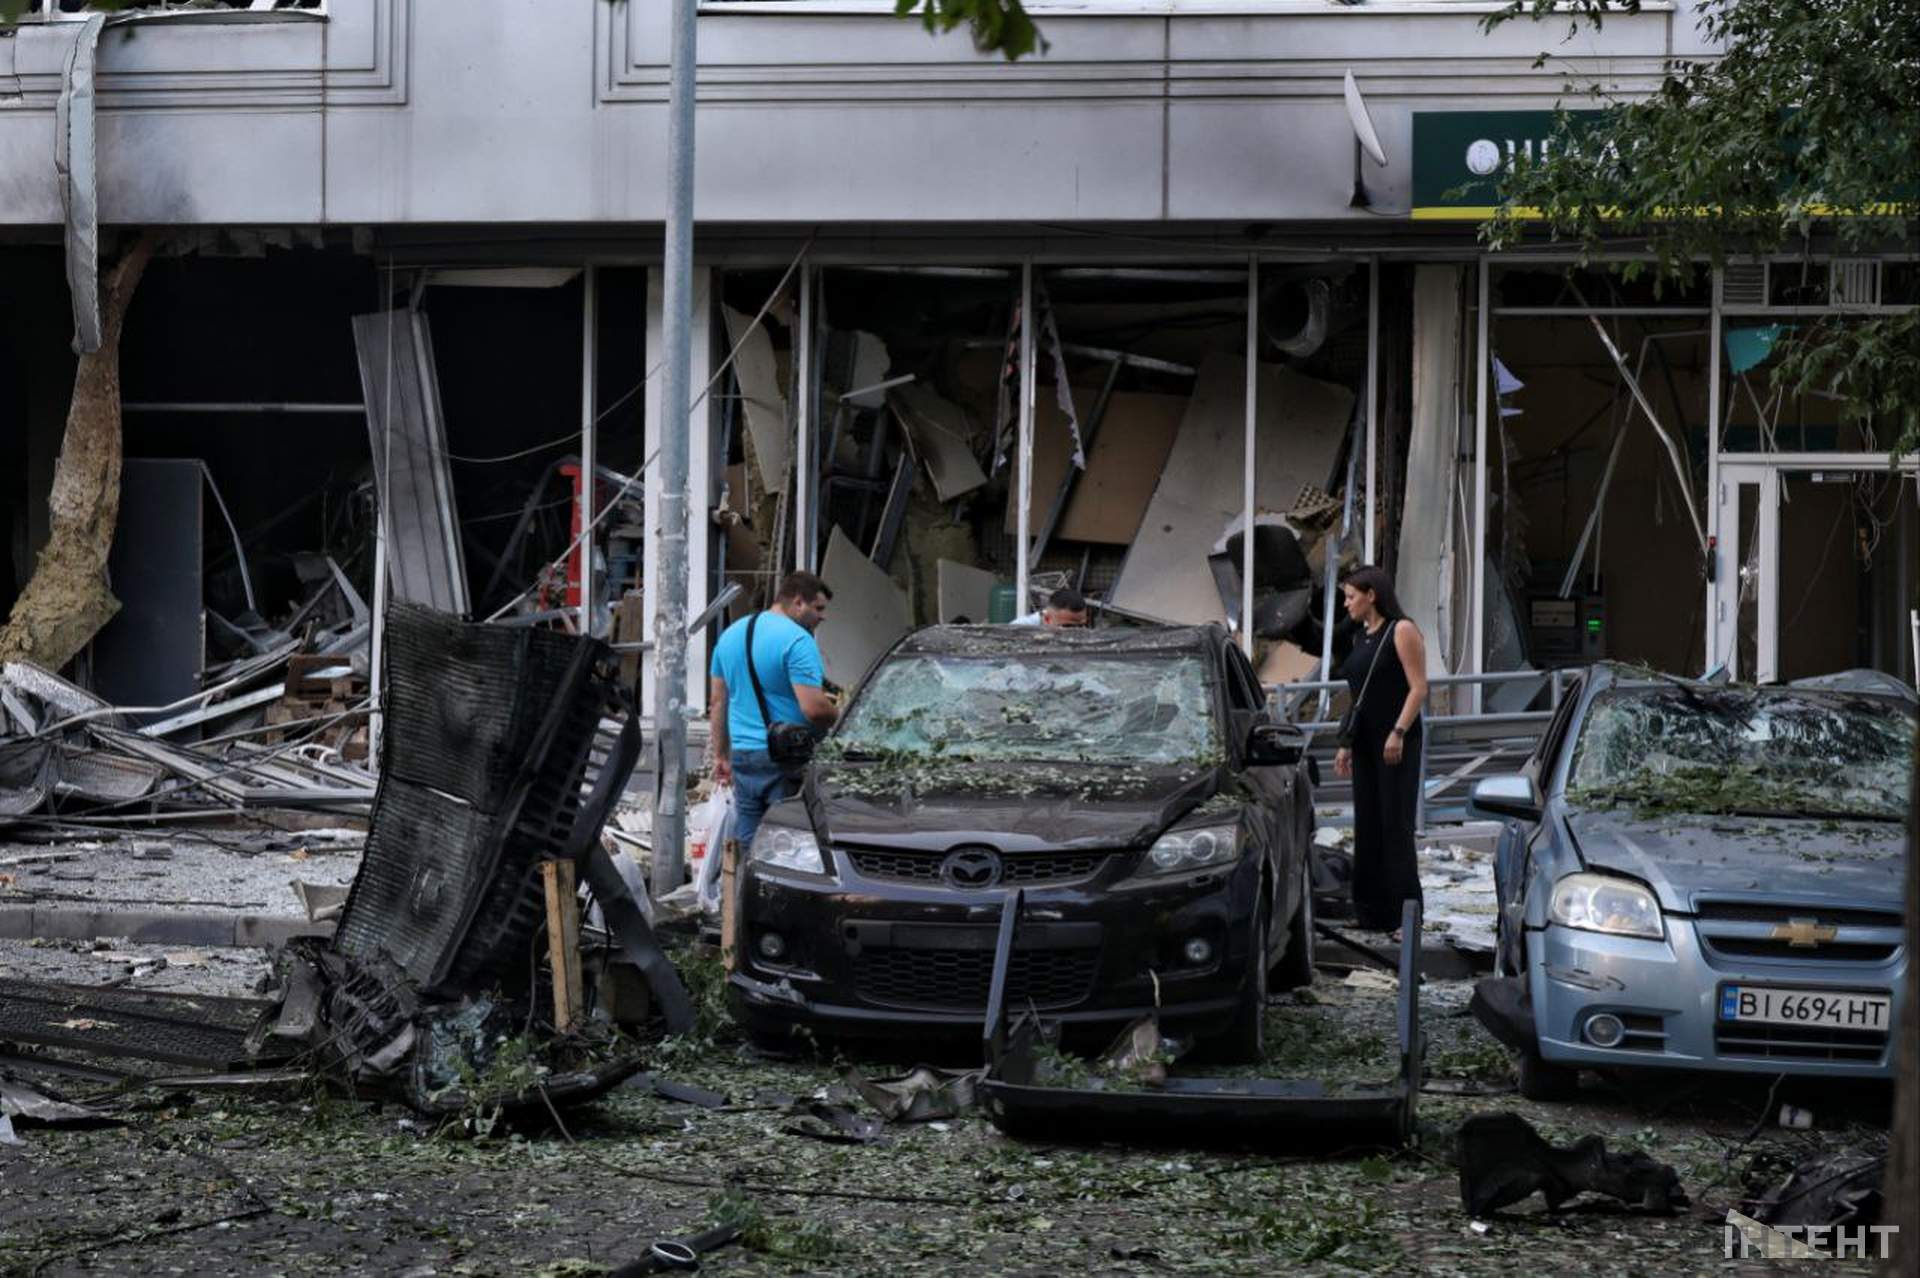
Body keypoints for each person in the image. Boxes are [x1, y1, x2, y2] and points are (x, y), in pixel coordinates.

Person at [708, 571, 839, 852]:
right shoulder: (798, 641)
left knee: (750, 842)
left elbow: (718, 702)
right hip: (783, 760)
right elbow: (814, 709)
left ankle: (746, 893)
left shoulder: (730, 635)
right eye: (818, 608)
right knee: (787, 846)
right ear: (797, 602)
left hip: (743, 756)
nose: (822, 617)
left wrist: (721, 755)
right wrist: (843, 716)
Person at [1332, 565, 1428, 938]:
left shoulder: (1401, 630)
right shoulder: (1361, 636)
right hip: (1366, 740)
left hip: (1397, 740)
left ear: (1372, 595)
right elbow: (1359, 697)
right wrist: (1346, 742)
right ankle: (1372, 912)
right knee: (1367, 824)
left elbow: (1418, 688)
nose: (1346, 604)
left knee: (1395, 825)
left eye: (1351, 596)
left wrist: (1399, 730)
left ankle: (1408, 917)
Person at [1012, 586, 1090, 628]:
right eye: (1068, 626)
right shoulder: (1019, 627)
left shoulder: (1052, 619)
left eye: (1082, 625)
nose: (1078, 631)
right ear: (1047, 619)